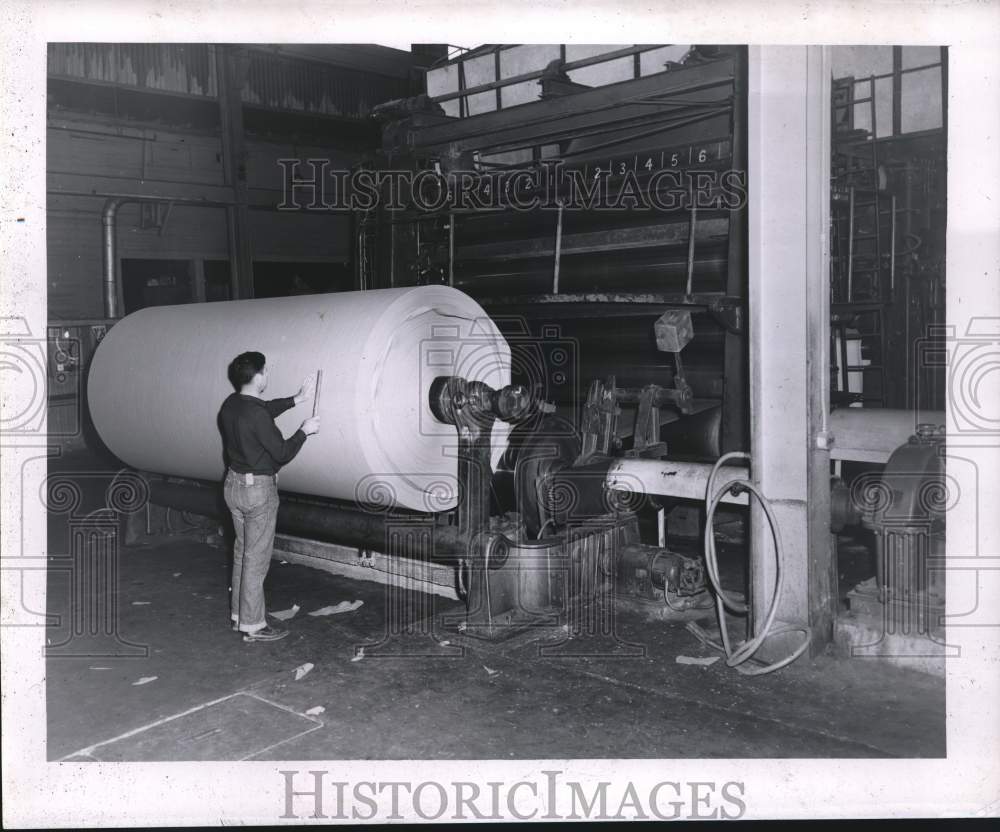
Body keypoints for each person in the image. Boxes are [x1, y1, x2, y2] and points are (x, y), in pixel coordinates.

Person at [219, 351, 320, 642]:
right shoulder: (257, 414)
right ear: (260, 376)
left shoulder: (232, 403)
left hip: (233, 486)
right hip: (257, 493)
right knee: (256, 560)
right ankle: (253, 625)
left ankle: (239, 615)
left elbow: (263, 410)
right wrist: (305, 431)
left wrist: (296, 399)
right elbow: (283, 453)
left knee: (242, 553)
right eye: (266, 371)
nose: (267, 375)